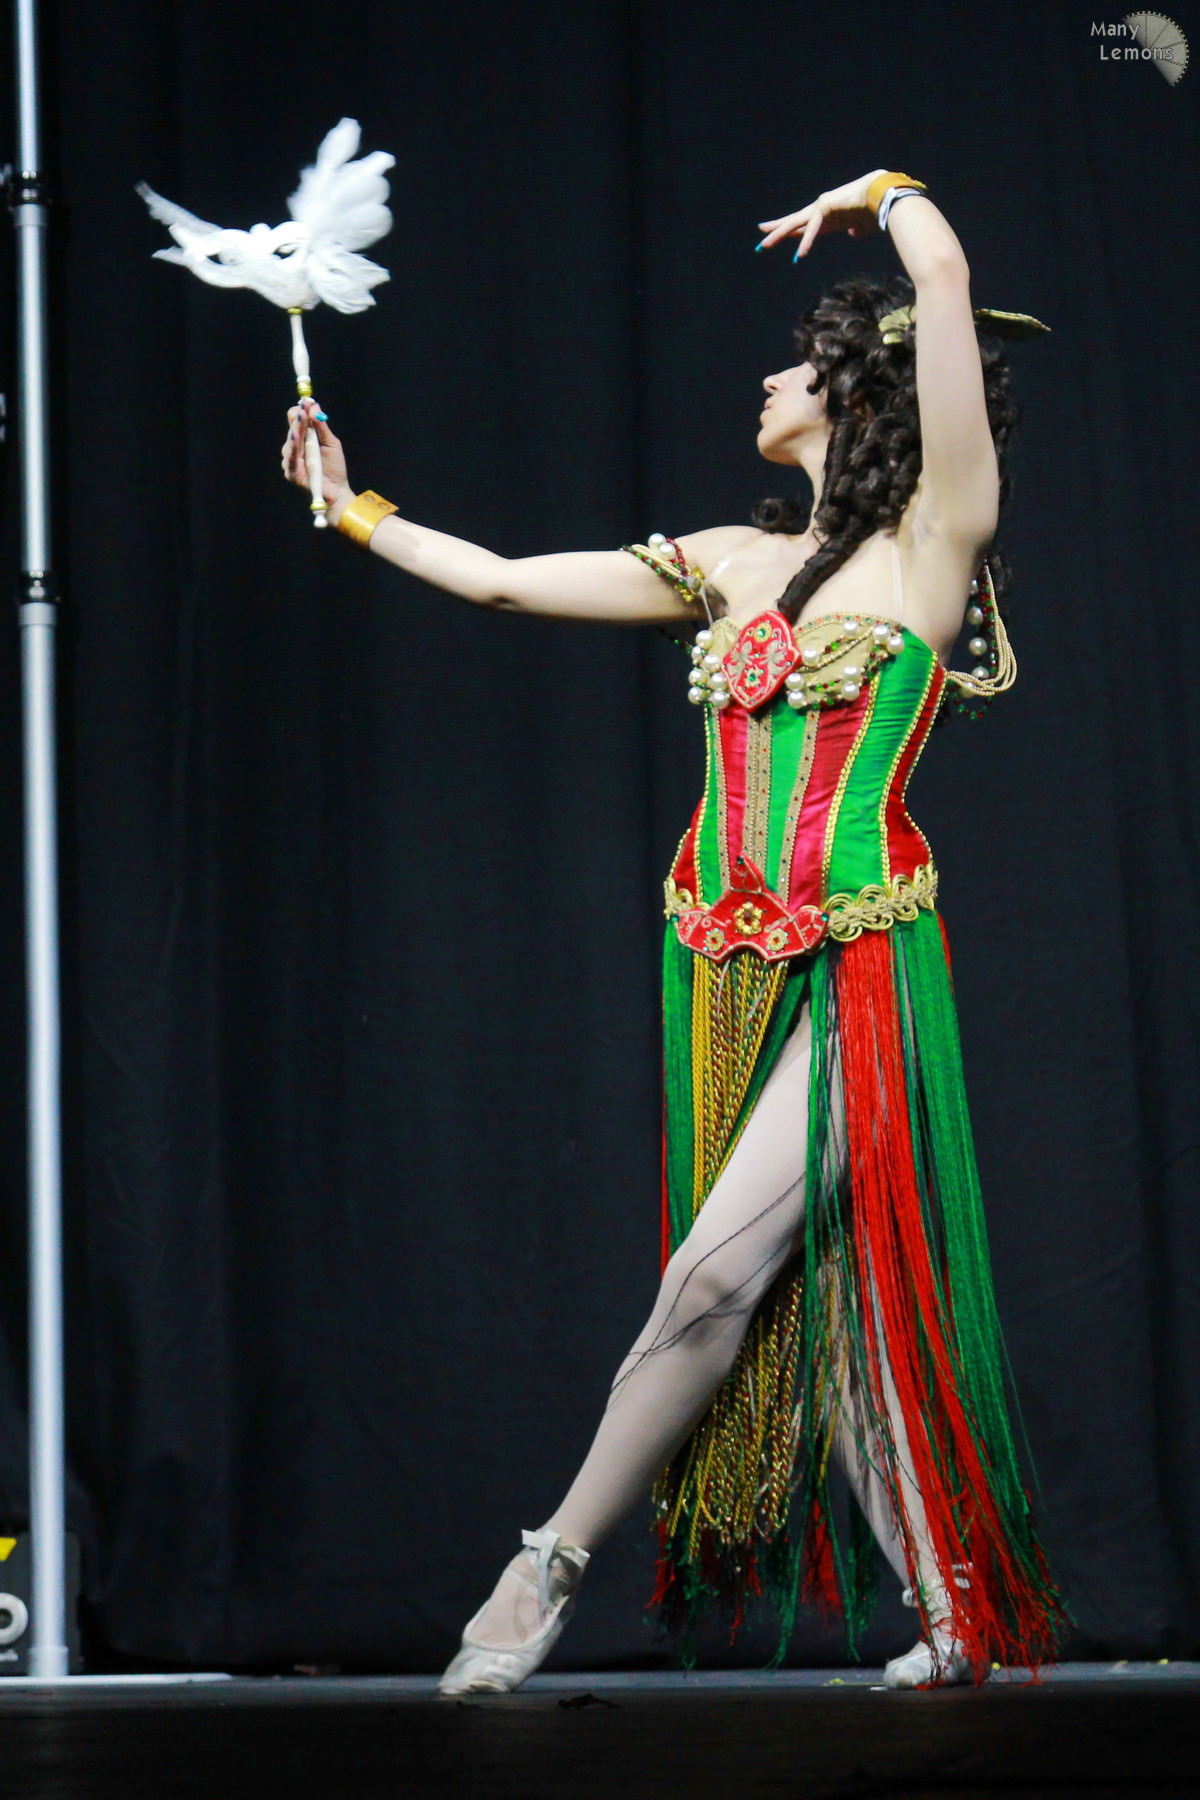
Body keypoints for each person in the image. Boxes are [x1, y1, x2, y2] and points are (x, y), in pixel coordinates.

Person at [282, 167, 1068, 1692]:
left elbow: (946, 282)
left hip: (859, 973)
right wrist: (353, 508)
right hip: (721, 974)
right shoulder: (730, 560)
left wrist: (882, 195)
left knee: (711, 1282)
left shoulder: (935, 543)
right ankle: (951, 1603)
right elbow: (505, 586)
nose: (767, 381)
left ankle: (547, 1564)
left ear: (855, 389)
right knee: (822, 1304)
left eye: (795, 364)